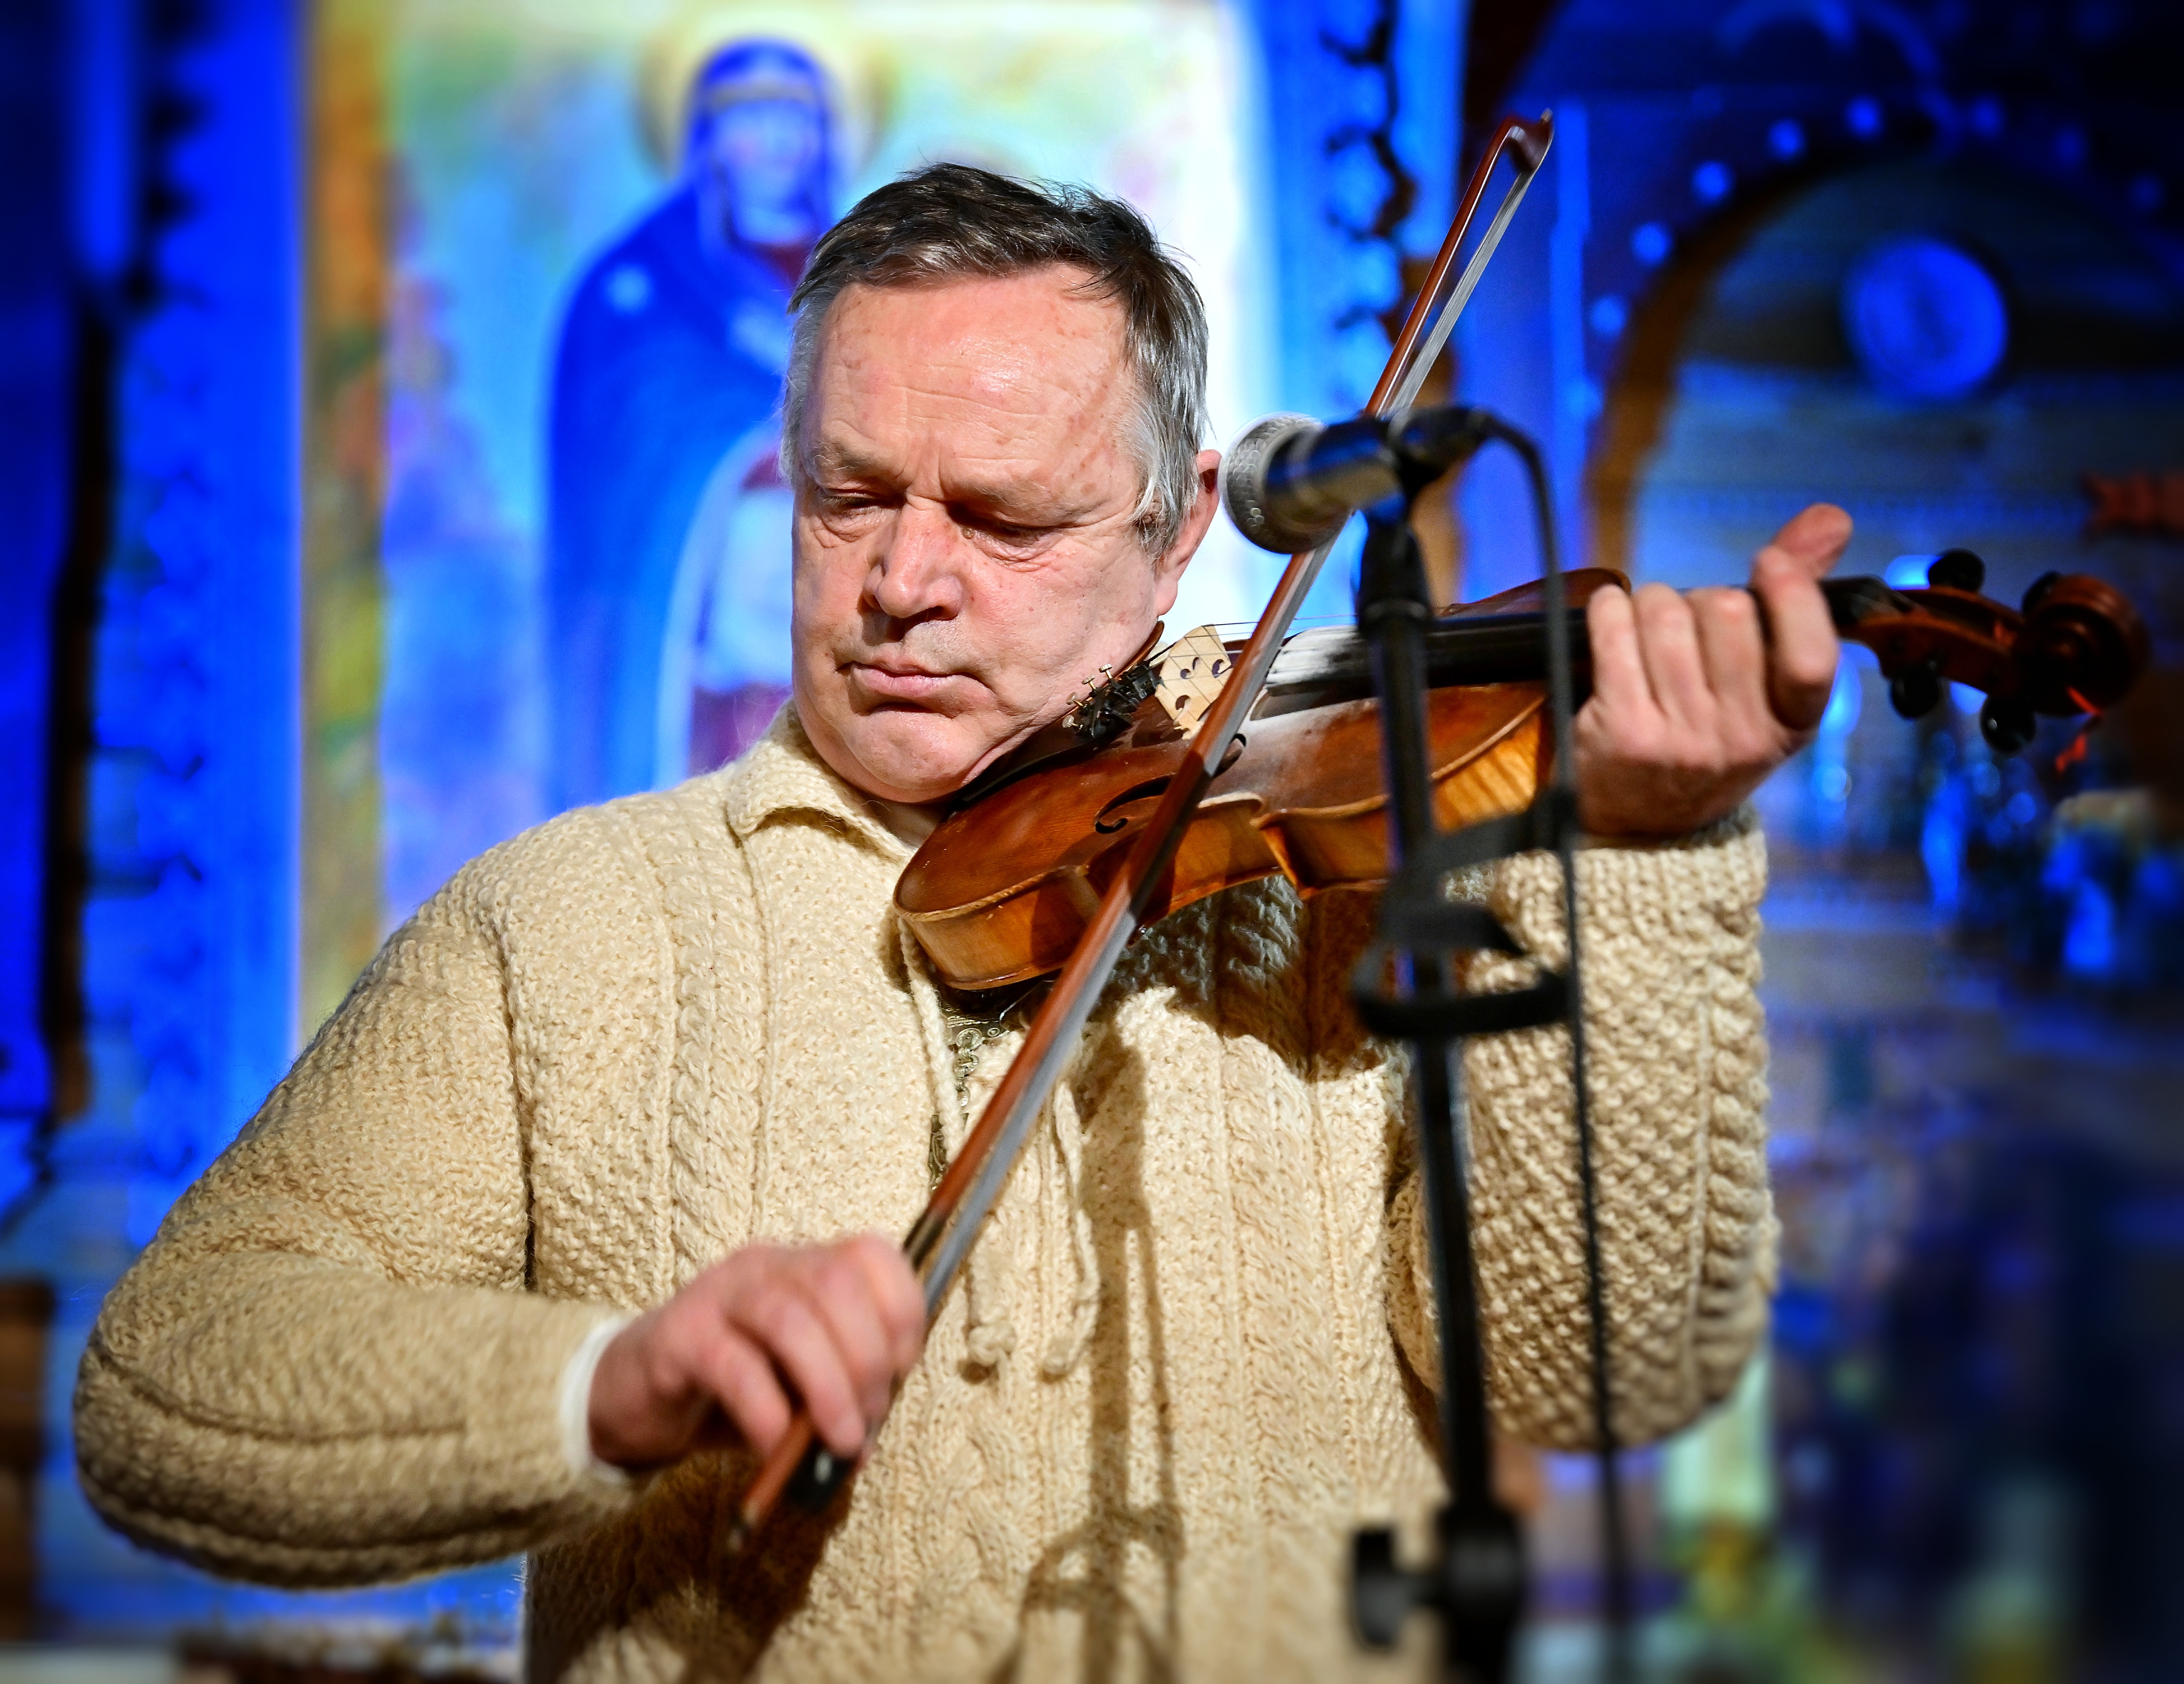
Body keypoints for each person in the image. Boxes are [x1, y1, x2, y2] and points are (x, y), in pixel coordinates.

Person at [78, 166, 1846, 1681]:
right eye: (849, 495)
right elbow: (164, 1387)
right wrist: (607, 1385)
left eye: (1005, 519)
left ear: (1175, 534)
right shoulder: (571, 922)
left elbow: (1604, 1373)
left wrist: (1642, 853)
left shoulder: (1360, 891)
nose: (903, 583)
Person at [547, 38, 834, 810]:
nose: (775, 137)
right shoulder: (642, 290)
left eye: (796, 113)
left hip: (827, 572)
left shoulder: (870, 272)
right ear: (707, 136)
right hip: (706, 598)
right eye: (750, 113)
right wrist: (748, 457)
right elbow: (621, 465)